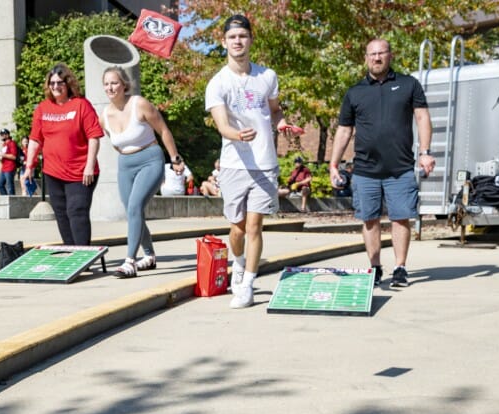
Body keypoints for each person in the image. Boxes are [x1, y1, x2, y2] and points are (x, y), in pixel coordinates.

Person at [205, 14, 301, 309]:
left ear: (250, 40)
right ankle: (239, 262)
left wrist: (281, 122)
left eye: (243, 36)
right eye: (232, 37)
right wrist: (237, 134)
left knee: (255, 226)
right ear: (224, 42)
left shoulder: (267, 76)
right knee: (237, 229)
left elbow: (274, 110)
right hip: (234, 164)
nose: (238, 41)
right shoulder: (217, 83)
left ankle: (247, 284)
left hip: (264, 164)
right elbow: (222, 125)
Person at [329, 38, 434, 288]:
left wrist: (425, 152)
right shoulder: (355, 92)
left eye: (381, 53)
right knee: (369, 219)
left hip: (400, 168)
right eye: (372, 54)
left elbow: (422, 117)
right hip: (365, 169)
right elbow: (344, 131)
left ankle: (400, 268)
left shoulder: (409, 84)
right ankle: (375, 268)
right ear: (365, 58)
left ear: (390, 55)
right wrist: (334, 164)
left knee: (400, 218)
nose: (376, 58)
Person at [99, 66, 187, 277]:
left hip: (150, 159)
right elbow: (115, 143)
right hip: (125, 164)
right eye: (106, 84)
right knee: (133, 211)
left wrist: (175, 158)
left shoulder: (140, 104)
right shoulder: (104, 115)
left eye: (114, 83)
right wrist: (127, 154)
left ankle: (130, 261)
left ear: (124, 85)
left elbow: (163, 130)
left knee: (135, 206)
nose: (110, 87)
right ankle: (149, 256)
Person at [21, 64, 104, 246]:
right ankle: (71, 251)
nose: (55, 87)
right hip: (53, 172)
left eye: (59, 82)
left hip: (80, 172)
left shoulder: (81, 105)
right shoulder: (43, 108)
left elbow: (94, 137)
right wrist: (29, 168)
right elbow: (35, 140)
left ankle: (83, 254)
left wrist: (89, 166)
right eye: (52, 83)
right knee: (61, 213)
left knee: (77, 210)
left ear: (68, 83)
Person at [0, 128, 18, 195]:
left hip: (10, 167)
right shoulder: (4, 145)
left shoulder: (12, 143)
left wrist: (2, 154)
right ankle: (5, 199)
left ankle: (12, 200)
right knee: (0, 184)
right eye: (0, 135)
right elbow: (5, 156)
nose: (1, 136)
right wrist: (0, 158)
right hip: (4, 168)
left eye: (2, 134)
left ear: (7, 135)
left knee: (10, 186)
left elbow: (14, 157)